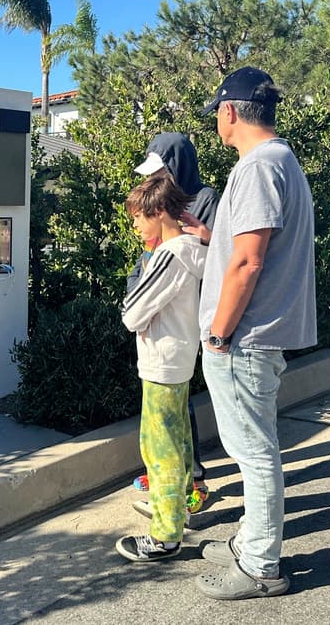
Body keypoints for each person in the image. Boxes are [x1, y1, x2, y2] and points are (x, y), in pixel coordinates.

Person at [183, 67, 317, 599]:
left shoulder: (259, 166)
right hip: (258, 335)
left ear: (229, 111)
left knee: (254, 453)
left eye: (216, 113)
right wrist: (211, 236)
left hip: (245, 339)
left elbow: (249, 261)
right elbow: (247, 247)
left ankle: (260, 565)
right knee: (255, 447)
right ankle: (250, 542)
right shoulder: (280, 160)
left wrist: (218, 335)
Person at [114, 171, 207, 562]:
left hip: (161, 362)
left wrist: (133, 305)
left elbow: (133, 313)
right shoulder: (195, 248)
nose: (135, 225)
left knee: (159, 447)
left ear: (159, 212)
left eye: (139, 217)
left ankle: (165, 534)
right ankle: (179, 507)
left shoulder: (169, 256)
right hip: (179, 357)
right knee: (179, 439)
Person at [128, 132, 218, 515]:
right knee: (168, 420)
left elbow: (212, 256)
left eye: (160, 171)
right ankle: (171, 479)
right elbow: (148, 260)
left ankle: (186, 489)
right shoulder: (159, 206)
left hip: (182, 321)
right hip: (161, 320)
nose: (154, 180)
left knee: (173, 419)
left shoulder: (204, 200)